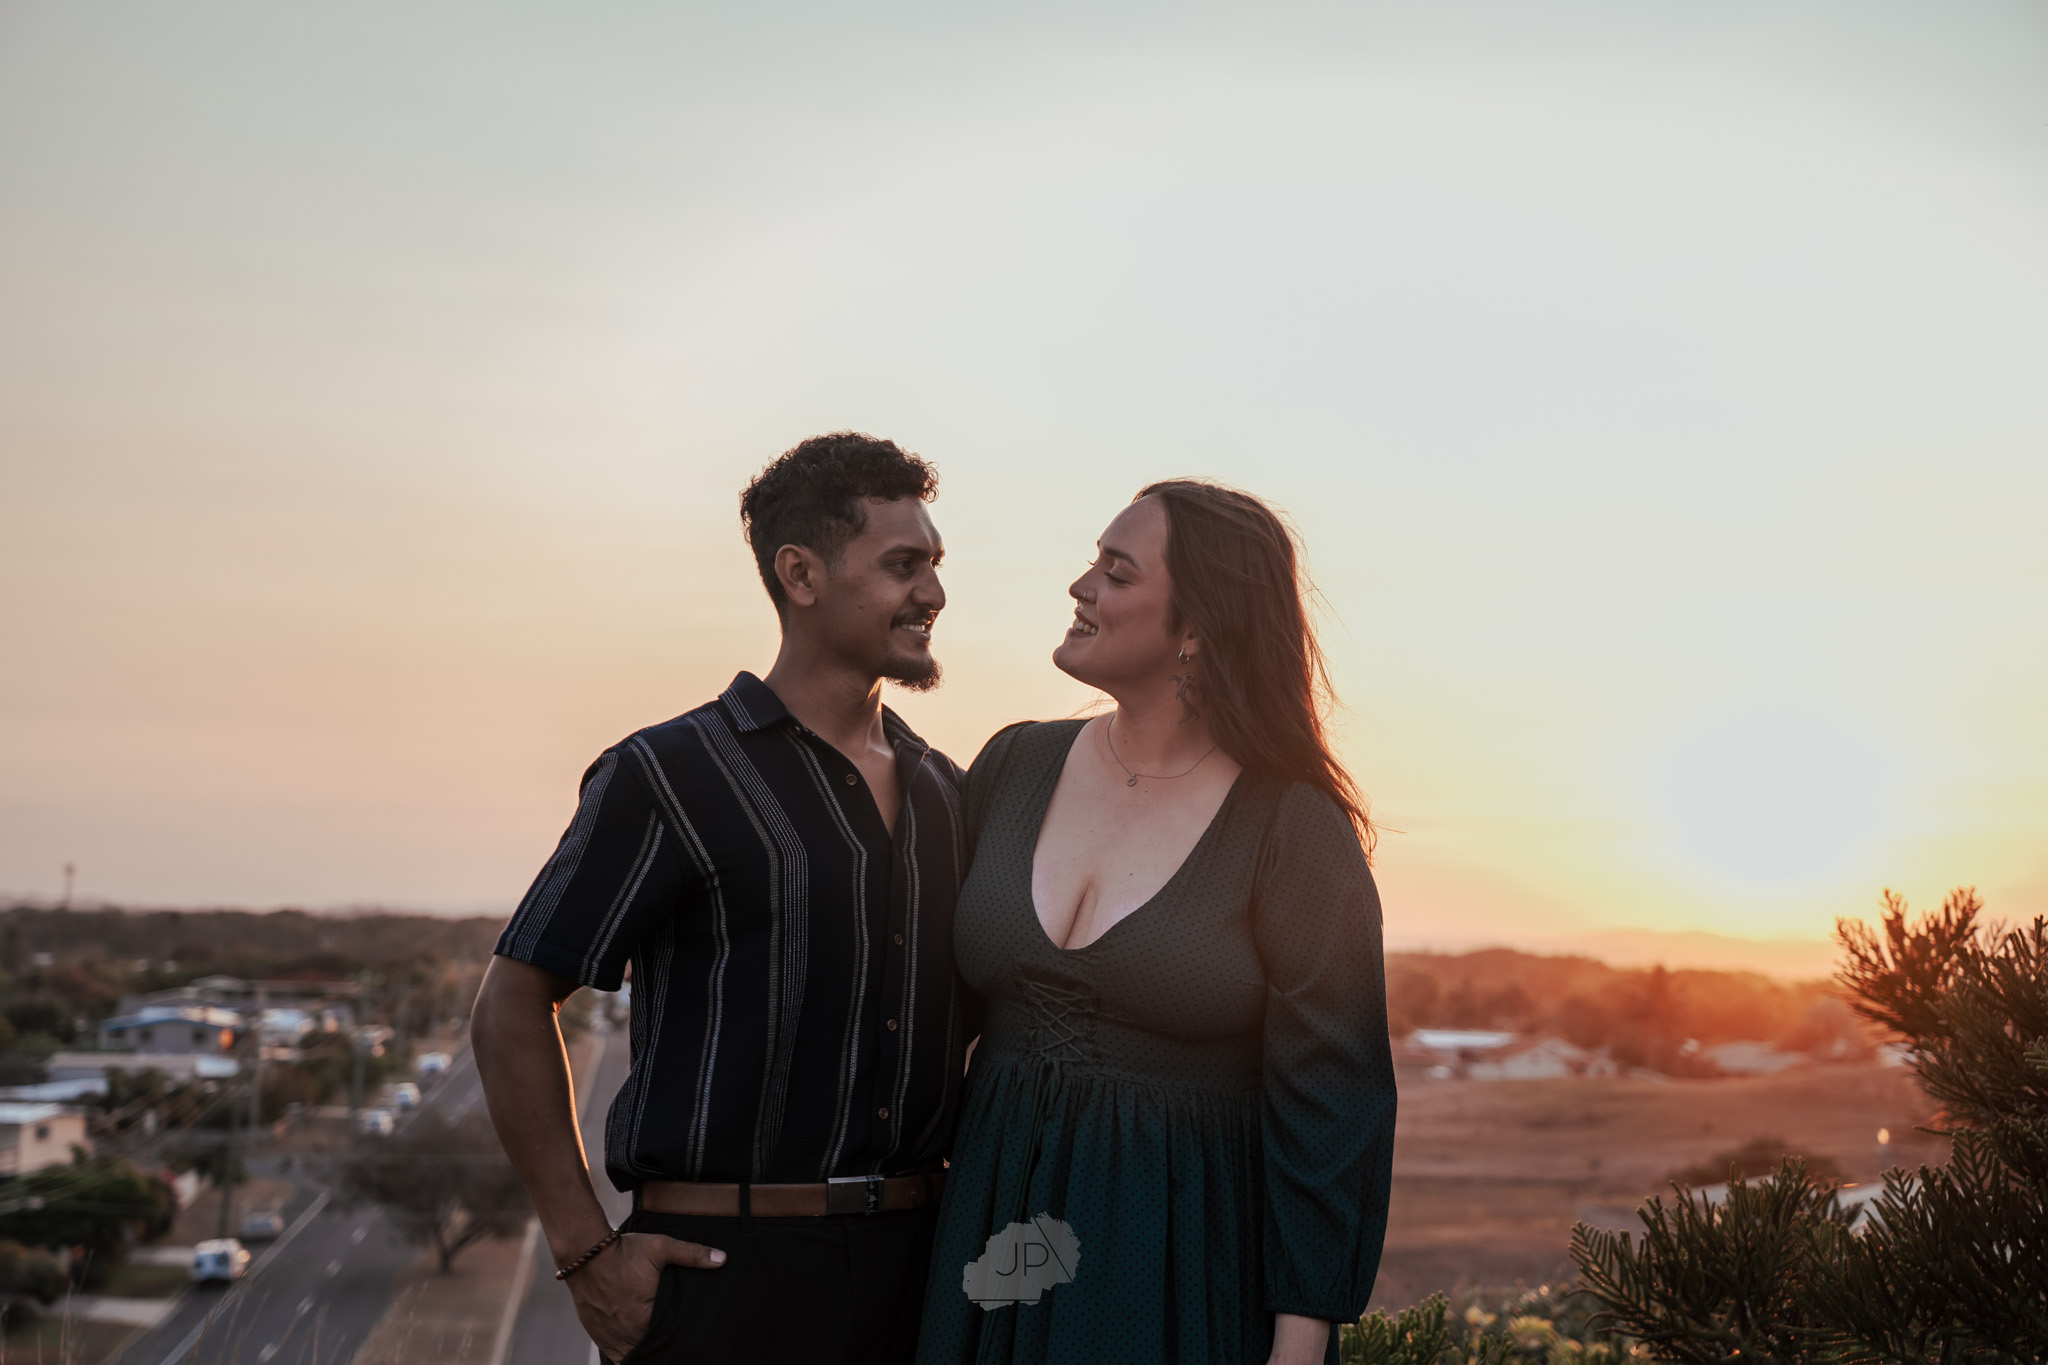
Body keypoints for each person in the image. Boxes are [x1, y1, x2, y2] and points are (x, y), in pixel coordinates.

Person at [474, 433, 976, 1365]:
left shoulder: (948, 791)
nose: (934, 593)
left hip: (924, 1275)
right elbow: (511, 1001)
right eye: (903, 565)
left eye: (936, 564)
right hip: (721, 1279)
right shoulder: (668, 774)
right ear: (801, 573)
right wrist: (585, 1254)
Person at [915, 480, 1396, 1365]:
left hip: (1175, 1272)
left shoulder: (1291, 826)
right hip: (988, 1256)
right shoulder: (1013, 764)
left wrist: (1298, 1345)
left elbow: (1335, 1104)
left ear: (1196, 628)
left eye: (1117, 571)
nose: (1080, 586)